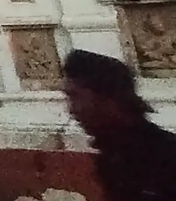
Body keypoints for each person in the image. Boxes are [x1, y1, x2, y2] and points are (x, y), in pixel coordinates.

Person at [62, 49, 176, 201]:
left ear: (109, 100)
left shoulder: (164, 157)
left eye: (76, 97)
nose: (71, 110)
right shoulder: (112, 156)